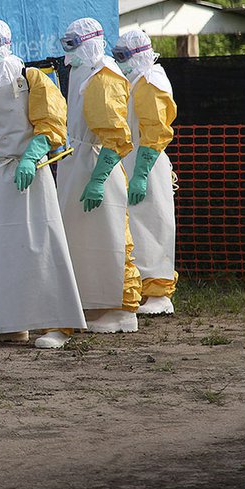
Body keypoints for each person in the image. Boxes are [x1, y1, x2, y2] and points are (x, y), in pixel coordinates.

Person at [0, 20, 86, 348]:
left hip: (33, 171)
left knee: (43, 242)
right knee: (7, 250)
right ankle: (11, 323)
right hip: (2, 174)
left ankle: (58, 323)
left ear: (7, 43)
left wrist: (31, 156)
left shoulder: (30, 78)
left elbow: (51, 121)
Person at [57, 18, 142, 332]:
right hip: (77, 162)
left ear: (90, 43)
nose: (69, 52)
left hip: (96, 165)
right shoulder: (83, 72)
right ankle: (94, 303)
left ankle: (123, 309)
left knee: (112, 238)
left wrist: (98, 179)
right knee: (84, 239)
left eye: (74, 44)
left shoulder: (104, 76)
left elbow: (116, 136)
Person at [114, 29, 178, 315]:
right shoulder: (135, 81)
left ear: (138, 54)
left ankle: (160, 294)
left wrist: (141, 174)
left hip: (148, 165)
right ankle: (140, 287)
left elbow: (156, 130)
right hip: (132, 161)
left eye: (123, 55)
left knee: (153, 225)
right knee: (137, 226)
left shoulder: (151, 81)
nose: (119, 61)